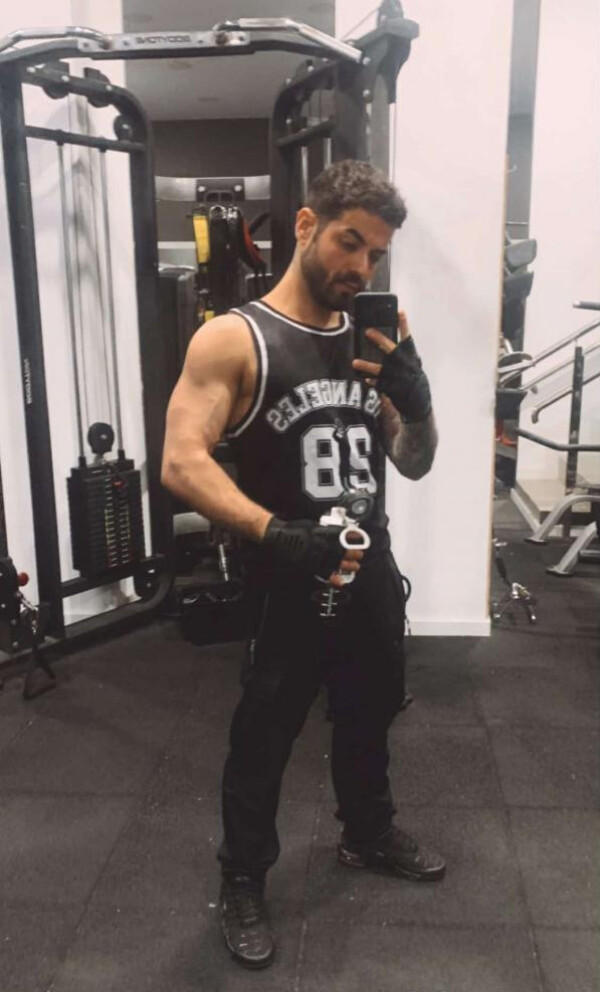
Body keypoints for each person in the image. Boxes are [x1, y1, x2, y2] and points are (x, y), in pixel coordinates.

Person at [161, 159, 444, 971]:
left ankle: (367, 831)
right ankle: (244, 877)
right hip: (286, 573)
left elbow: (413, 462)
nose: (361, 267)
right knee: (265, 731)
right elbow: (181, 462)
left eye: (375, 254)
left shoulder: (376, 336)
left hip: (369, 566)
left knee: (371, 708)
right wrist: (273, 533)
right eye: (350, 243)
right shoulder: (234, 337)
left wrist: (419, 405)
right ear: (307, 226)